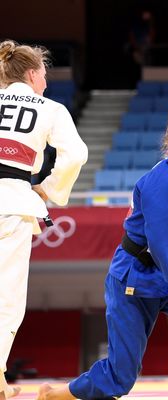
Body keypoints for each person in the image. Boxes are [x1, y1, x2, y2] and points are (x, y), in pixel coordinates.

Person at [37, 110, 168, 400]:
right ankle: (52, 395)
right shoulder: (160, 178)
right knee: (121, 377)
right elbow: (161, 233)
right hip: (135, 274)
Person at [0, 40, 88, 400]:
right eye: (45, 75)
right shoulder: (48, 108)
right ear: (33, 74)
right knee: (6, 297)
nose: (47, 83)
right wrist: (48, 189)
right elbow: (76, 154)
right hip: (13, 201)